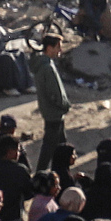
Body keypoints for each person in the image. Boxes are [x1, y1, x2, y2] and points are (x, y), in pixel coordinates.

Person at [30, 36, 70, 172]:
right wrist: (64, 105)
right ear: (49, 48)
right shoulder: (47, 67)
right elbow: (54, 93)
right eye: (58, 46)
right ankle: (40, 174)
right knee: (49, 147)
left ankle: (62, 171)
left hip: (50, 111)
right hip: (54, 112)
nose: (60, 50)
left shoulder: (43, 65)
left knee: (61, 145)